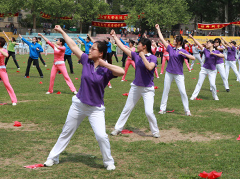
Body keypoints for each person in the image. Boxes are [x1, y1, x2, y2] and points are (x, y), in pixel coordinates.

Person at [44, 25, 124, 171]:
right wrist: (62, 31)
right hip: (79, 104)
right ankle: (52, 158)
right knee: (66, 132)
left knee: (101, 136)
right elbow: (73, 46)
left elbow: (122, 71)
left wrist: (105, 64)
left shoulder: (106, 70)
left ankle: (108, 161)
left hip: (96, 109)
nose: (89, 49)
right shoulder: (86, 60)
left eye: (93, 48)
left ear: (100, 53)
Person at [110, 29, 160, 137]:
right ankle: (117, 129)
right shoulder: (136, 55)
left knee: (149, 112)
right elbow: (123, 48)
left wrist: (142, 56)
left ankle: (155, 132)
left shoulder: (153, 57)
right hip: (136, 87)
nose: (137, 46)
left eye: (139, 44)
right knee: (127, 109)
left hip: (148, 89)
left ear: (144, 46)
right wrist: (114, 37)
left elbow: (150, 67)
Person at [156, 24, 195, 116]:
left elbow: (193, 58)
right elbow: (162, 39)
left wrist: (184, 54)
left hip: (179, 74)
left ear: (180, 42)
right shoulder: (170, 48)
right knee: (166, 90)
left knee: (183, 92)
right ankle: (162, 109)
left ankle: (187, 110)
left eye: (175, 40)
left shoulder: (183, 51)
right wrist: (158, 29)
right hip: (169, 73)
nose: (173, 41)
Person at [189, 35, 223, 101]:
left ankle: (215, 96)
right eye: (206, 43)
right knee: (199, 83)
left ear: (212, 44)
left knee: (213, 84)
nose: (206, 44)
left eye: (208, 43)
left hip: (212, 70)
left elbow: (222, 55)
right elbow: (198, 44)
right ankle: (193, 96)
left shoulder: (216, 51)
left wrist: (214, 54)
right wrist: (193, 38)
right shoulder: (205, 50)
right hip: (204, 69)